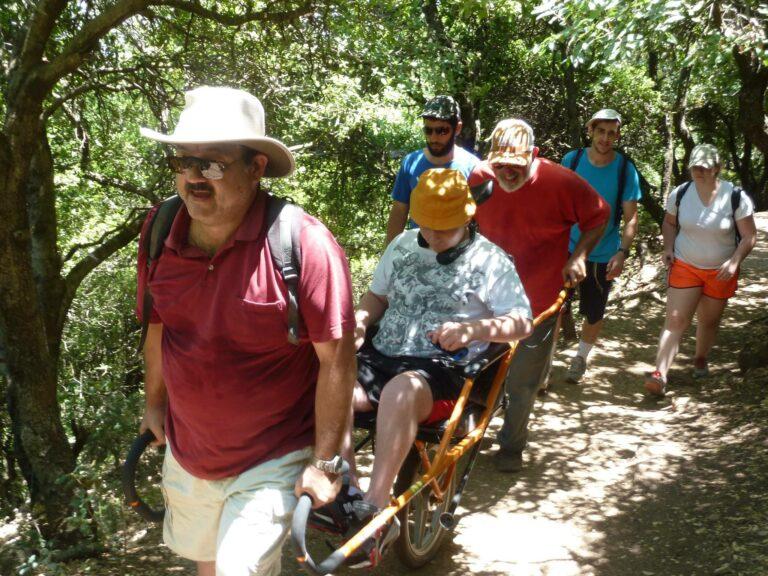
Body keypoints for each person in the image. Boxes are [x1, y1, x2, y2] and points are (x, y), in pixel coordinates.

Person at [136, 86, 356, 576]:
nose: (193, 176)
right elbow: (159, 331)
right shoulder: (160, 231)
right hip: (189, 450)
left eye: (211, 164)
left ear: (256, 168)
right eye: (182, 162)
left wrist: (325, 463)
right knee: (207, 567)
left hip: (273, 453)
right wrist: (154, 405)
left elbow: (336, 359)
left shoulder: (304, 246)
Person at [342, 168, 532, 567]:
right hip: (383, 353)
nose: (432, 236)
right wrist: (361, 320)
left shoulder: (490, 260)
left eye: (442, 229)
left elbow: (521, 322)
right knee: (331, 383)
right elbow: (376, 296)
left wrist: (472, 329)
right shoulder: (403, 245)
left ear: (467, 217)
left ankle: (375, 512)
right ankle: (347, 489)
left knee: (401, 391)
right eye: (425, 226)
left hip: (439, 366)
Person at [468, 119, 610, 472]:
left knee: (522, 381)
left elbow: (599, 215)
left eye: (515, 166)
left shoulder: (560, 182)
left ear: (532, 155)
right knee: (476, 370)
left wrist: (578, 257)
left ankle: (512, 445)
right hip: (486, 297)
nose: (506, 172)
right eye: (500, 164)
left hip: (539, 299)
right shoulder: (480, 179)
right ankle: (470, 433)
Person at [644, 143, 757, 396]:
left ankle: (700, 357)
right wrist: (669, 247)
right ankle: (659, 373)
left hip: (721, 270)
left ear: (717, 168)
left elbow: (750, 236)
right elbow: (669, 223)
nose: (700, 171)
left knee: (709, 320)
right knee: (675, 319)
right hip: (685, 264)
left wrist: (735, 261)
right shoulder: (681, 193)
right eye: (696, 166)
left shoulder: (735, 197)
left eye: (706, 167)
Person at [561, 109, 642, 383]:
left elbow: (631, 218)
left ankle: (580, 357)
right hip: (567, 249)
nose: (606, 138)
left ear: (617, 135)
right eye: (601, 131)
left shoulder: (624, 169)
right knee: (554, 305)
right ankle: (544, 364)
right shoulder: (572, 161)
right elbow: (557, 204)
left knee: (594, 311)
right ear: (591, 131)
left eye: (611, 133)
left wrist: (622, 252)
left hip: (604, 251)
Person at [385, 95, 479, 244]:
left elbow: (479, 218)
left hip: (458, 254)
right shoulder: (411, 163)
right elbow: (399, 211)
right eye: (428, 130)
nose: (434, 138)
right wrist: (388, 255)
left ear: (458, 128)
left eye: (442, 131)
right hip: (418, 251)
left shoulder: (473, 167)